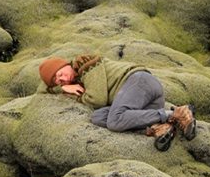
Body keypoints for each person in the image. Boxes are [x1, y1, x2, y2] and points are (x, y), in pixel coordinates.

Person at [38, 54, 196, 151]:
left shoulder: (85, 64)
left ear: (65, 64)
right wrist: (63, 89)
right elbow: (42, 89)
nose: (62, 79)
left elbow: (97, 99)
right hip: (140, 101)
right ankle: (161, 125)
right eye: (58, 81)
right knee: (98, 117)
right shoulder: (74, 79)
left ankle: (174, 113)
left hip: (139, 82)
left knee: (115, 121)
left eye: (60, 74)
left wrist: (77, 95)